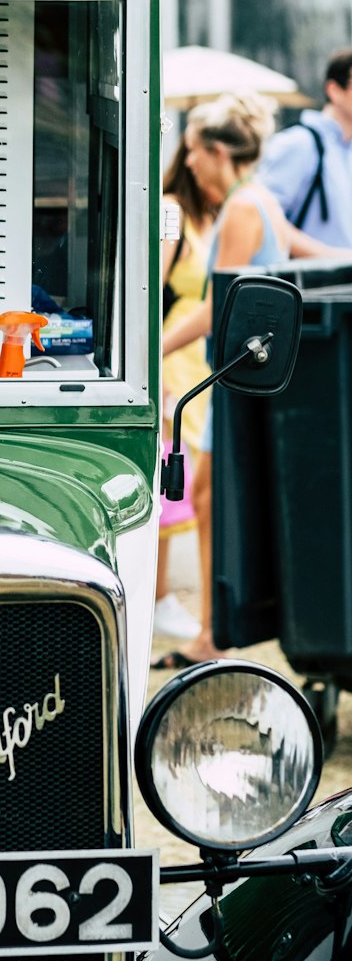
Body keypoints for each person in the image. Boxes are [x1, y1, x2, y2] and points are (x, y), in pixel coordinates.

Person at [155, 93, 333, 668]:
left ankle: (214, 632)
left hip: (230, 374)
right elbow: (312, 254)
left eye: (194, 153)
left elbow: (218, 303)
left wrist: (154, 349)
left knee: (207, 497)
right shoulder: (258, 200)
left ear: (216, 151)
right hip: (247, 373)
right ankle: (216, 627)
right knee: (210, 497)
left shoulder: (241, 208)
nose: (190, 165)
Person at [153, 140, 214, 640]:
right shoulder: (173, 211)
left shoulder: (216, 216)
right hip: (174, 351)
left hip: (202, 357)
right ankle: (157, 596)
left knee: (190, 477)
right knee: (174, 475)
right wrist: (156, 364)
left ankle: (163, 596)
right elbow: (152, 286)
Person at [258, 48, 352, 248]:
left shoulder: (346, 150)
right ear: (334, 90)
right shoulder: (299, 144)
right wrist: (329, 259)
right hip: (308, 278)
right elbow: (260, 219)